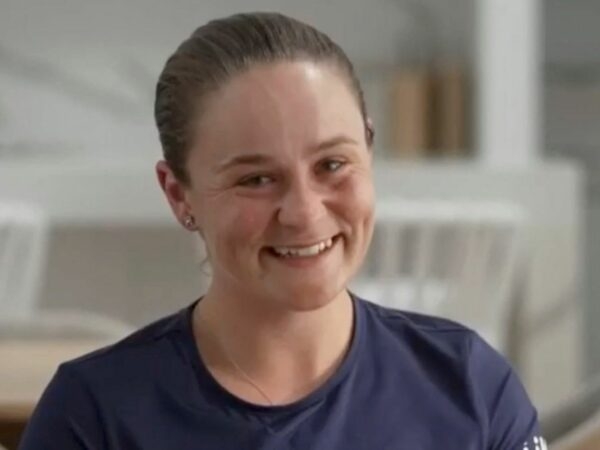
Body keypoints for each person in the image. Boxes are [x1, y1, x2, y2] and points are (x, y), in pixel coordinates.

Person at [19, 12, 546, 450]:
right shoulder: (94, 416)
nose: (304, 212)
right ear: (179, 194)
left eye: (332, 164)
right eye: (256, 179)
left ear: (368, 150)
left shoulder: (469, 386)